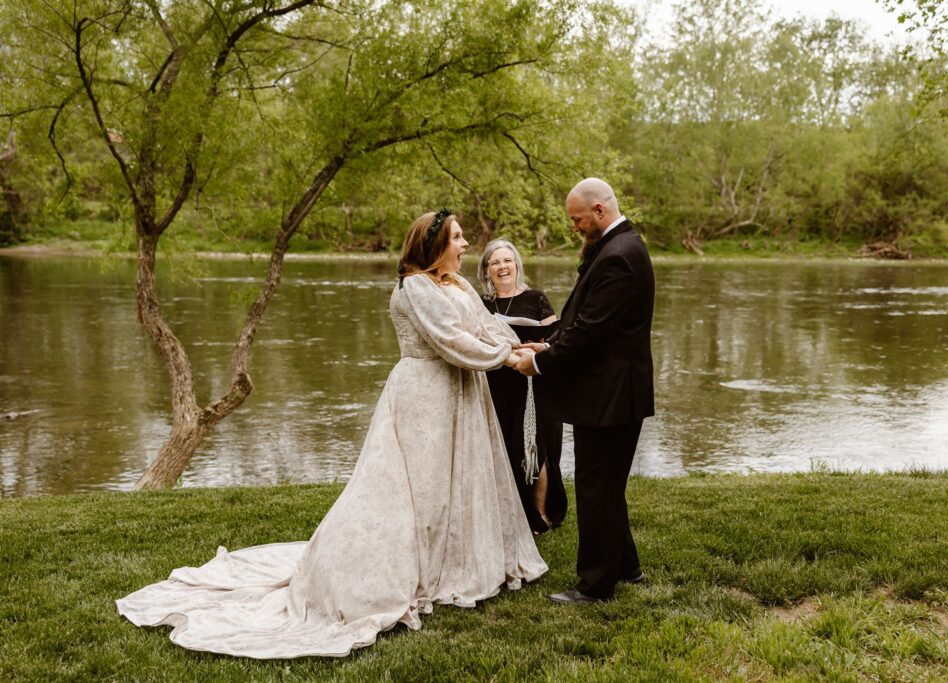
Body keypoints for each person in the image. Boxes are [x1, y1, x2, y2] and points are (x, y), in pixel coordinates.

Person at [116, 210, 547, 659]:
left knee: (455, 481)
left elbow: (483, 325)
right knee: (420, 486)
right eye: (457, 238)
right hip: (425, 396)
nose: (464, 245)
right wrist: (505, 359)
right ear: (434, 245)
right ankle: (416, 567)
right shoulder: (415, 287)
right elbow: (451, 340)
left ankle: (457, 561)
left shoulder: (453, 283)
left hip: (460, 392)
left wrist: (516, 345)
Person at [513, 178, 655, 604]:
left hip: (611, 396)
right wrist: (548, 346)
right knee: (607, 487)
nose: (574, 227)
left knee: (596, 489)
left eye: (577, 219)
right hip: (614, 392)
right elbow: (587, 323)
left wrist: (539, 363)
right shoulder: (620, 247)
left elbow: (591, 333)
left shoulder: (618, 256)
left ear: (598, 210)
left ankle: (595, 586)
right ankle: (627, 569)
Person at [477, 238, 567, 536]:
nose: (502, 267)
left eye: (507, 260)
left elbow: (557, 337)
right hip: (495, 384)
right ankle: (507, 512)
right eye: (495, 262)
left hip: (532, 384)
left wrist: (538, 346)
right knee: (503, 447)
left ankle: (539, 515)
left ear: (516, 265)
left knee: (533, 447)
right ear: (486, 270)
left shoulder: (536, 298)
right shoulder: (481, 304)